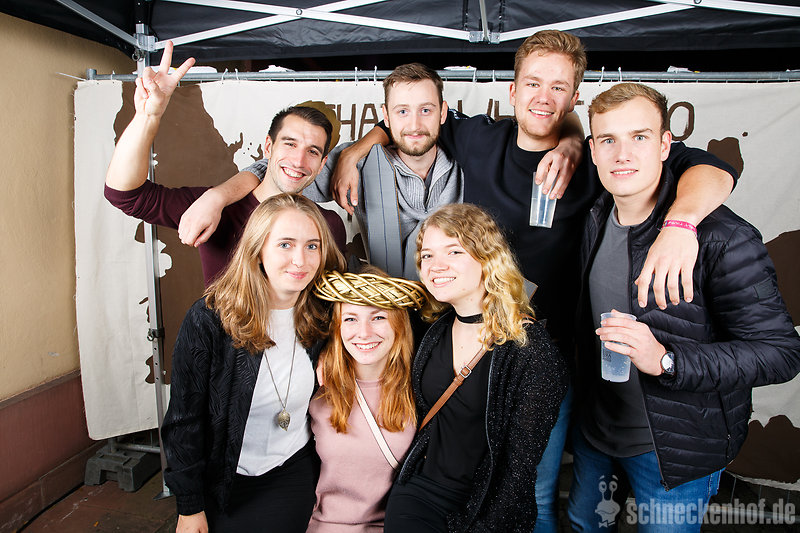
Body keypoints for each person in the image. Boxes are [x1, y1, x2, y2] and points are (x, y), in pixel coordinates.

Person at [332, 31, 739, 532]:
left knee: (534, 495)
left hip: (543, 358)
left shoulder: (601, 159)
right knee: (458, 477)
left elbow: (713, 168)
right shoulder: (478, 138)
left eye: (558, 87)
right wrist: (356, 150)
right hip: (468, 345)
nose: (543, 97)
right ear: (512, 89)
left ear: (575, 97)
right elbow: (413, 121)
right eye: (533, 84)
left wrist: (681, 223)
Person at [568, 82, 800, 532]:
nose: (622, 154)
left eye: (639, 137)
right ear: (593, 150)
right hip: (598, 433)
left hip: (675, 449)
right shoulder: (595, 215)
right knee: (583, 524)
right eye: (608, 140)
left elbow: (781, 353)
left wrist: (667, 360)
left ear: (665, 145)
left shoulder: (722, 238)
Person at [176, 63, 580, 279]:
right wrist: (217, 196)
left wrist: (572, 140)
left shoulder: (472, 159)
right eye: (402, 111)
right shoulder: (357, 164)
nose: (415, 124)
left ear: (444, 113)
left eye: (426, 110)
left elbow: (547, 128)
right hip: (385, 321)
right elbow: (280, 173)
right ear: (385, 115)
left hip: (454, 320)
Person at [161, 193, 346, 533]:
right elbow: (184, 422)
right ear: (258, 249)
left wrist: (334, 355)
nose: (300, 260)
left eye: (312, 246)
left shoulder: (326, 313)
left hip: (291, 470)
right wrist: (189, 506)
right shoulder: (209, 319)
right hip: (225, 479)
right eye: (285, 244)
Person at [383, 203, 569, 532]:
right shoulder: (432, 331)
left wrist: (482, 526)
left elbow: (518, 471)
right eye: (427, 256)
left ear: (487, 258)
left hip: (487, 507)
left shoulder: (531, 350)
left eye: (453, 251)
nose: (436, 266)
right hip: (419, 494)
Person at [104, 41, 346, 286]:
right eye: (290, 144)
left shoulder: (328, 225)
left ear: (322, 163)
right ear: (268, 147)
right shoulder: (216, 208)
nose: (298, 160)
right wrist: (147, 116)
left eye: (312, 151)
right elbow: (125, 195)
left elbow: (330, 299)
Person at [308, 266, 427, 531]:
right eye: (351, 319)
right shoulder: (314, 388)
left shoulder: (422, 389)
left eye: (378, 317)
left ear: (398, 324)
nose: (363, 332)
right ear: (338, 327)